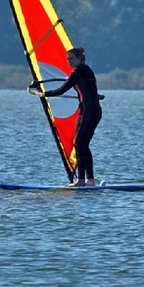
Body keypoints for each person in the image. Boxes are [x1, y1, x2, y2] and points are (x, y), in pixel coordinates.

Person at [32, 47, 104, 186]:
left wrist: (42, 94)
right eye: (67, 59)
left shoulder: (76, 73)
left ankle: (81, 181)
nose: (69, 62)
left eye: (71, 59)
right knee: (84, 144)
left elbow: (62, 89)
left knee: (78, 143)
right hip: (95, 110)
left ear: (79, 59)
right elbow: (91, 89)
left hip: (88, 111)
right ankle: (90, 180)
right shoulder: (88, 70)